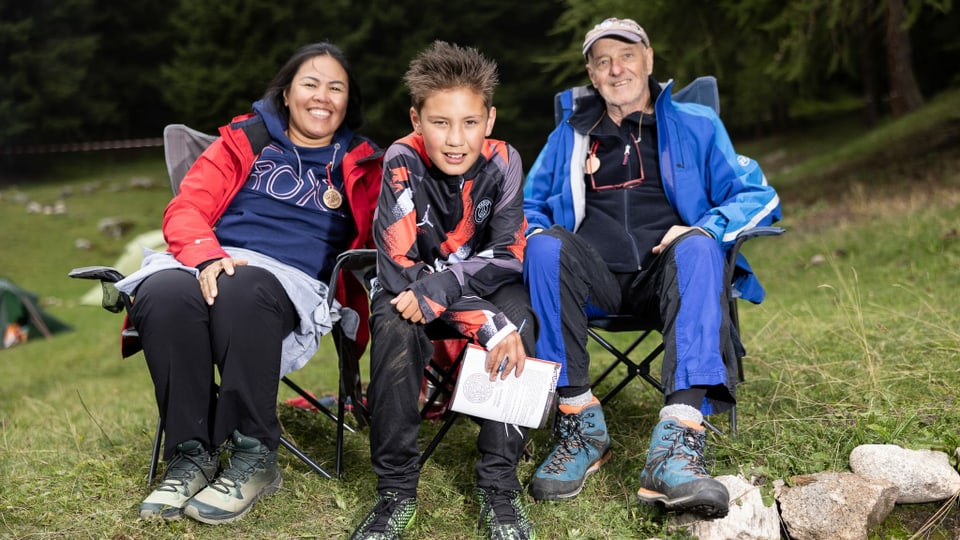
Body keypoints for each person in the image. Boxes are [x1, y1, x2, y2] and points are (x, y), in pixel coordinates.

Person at [522, 18, 781, 518]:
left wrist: (705, 226)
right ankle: (579, 425)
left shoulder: (695, 124)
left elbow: (757, 195)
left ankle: (677, 446)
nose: (616, 68)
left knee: (701, 245)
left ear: (649, 59)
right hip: (592, 281)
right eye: (602, 62)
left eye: (626, 55)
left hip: (670, 278)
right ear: (591, 75)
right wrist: (534, 232)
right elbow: (528, 207)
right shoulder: (568, 136)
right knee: (543, 247)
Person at [116, 42, 382, 524]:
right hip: (214, 257)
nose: (322, 96)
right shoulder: (244, 140)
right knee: (161, 293)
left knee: (243, 290)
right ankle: (190, 455)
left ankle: (254, 454)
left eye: (335, 87)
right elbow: (188, 206)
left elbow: (402, 221)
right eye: (310, 83)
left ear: (348, 101)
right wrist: (204, 255)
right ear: (285, 93)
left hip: (292, 281)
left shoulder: (363, 163)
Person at [350, 41, 536, 540]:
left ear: (490, 120)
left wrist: (455, 287)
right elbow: (398, 269)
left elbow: (509, 255)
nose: (456, 139)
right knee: (391, 318)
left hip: (474, 290)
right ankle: (395, 491)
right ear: (416, 120)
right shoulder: (399, 160)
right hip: (410, 293)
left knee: (518, 313)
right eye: (440, 122)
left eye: (470, 122)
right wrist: (484, 322)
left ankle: (499, 487)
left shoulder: (506, 162)